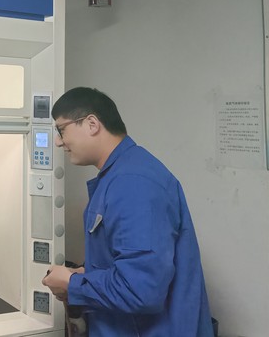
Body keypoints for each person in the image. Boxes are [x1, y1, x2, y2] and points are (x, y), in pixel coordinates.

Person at [42, 87, 213, 336]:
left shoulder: (134, 183)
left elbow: (139, 290)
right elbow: (129, 261)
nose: (58, 141)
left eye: (61, 130)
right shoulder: (120, 175)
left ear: (91, 124)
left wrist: (72, 284)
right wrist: (85, 274)